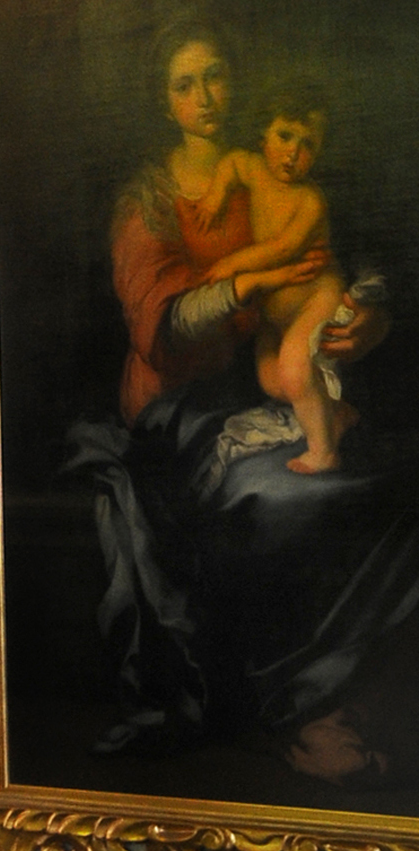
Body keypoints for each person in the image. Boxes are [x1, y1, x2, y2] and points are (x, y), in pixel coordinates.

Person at [68, 19, 419, 786]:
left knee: (386, 483)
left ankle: (357, 695)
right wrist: (253, 284)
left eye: (217, 77)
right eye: (185, 85)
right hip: (179, 412)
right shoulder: (150, 199)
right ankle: (293, 708)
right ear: (163, 101)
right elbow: (160, 329)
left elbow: (343, 268)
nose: (206, 98)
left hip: (268, 383)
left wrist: (366, 321)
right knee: (288, 498)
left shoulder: (270, 166)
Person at [191, 89, 352, 472]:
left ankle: (324, 452)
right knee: (269, 379)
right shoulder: (251, 167)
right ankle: (336, 412)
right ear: (264, 132)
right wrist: (216, 194)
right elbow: (230, 164)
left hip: (316, 297)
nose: (293, 152)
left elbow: (284, 248)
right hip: (276, 313)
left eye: (307, 144)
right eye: (285, 136)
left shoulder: (310, 201)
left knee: (295, 371)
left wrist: (234, 263)